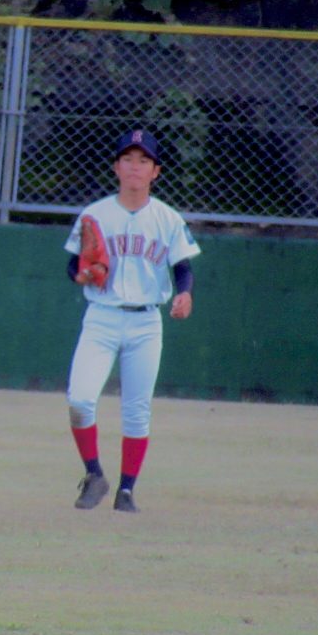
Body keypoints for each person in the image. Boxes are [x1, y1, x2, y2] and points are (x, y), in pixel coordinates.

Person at [63, 129, 200, 513]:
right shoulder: (95, 214)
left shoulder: (167, 219)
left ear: (156, 171)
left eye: (143, 161)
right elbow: (74, 264)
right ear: (116, 167)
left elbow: (183, 267)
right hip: (102, 317)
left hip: (145, 322)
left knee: (137, 409)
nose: (135, 167)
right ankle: (94, 474)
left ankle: (126, 492)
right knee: (80, 400)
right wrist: (82, 274)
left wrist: (185, 293)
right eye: (128, 159)